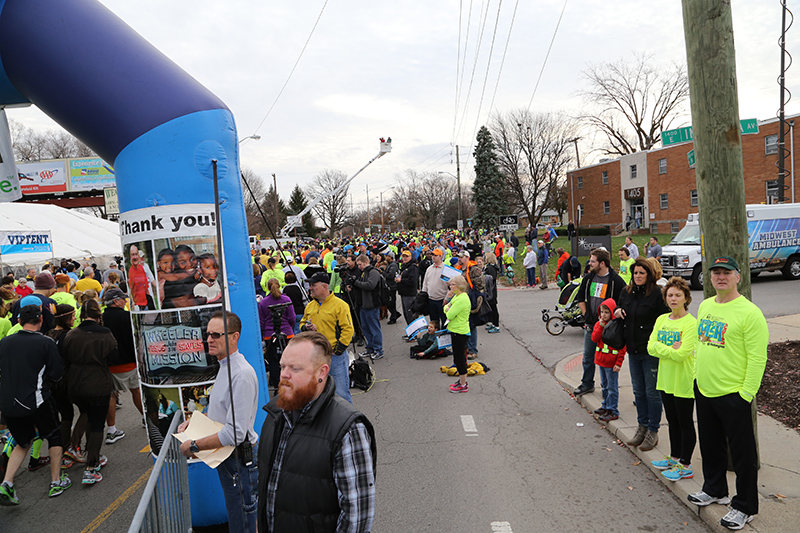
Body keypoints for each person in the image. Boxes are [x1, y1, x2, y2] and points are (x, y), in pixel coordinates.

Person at [256, 332, 376, 533]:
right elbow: (268, 484)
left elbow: (357, 516)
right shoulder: (275, 413)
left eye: (295, 368)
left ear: (322, 372)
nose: (284, 374)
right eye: (283, 366)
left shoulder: (347, 428)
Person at [687, 256, 768, 531]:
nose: (721, 277)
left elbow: (758, 358)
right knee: (710, 445)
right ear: (710, 278)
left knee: (743, 455)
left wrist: (746, 394)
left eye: (726, 273)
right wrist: (696, 377)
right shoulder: (706, 305)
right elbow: (701, 344)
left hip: (734, 394)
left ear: (738, 277)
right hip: (705, 389)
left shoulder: (749, 313)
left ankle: (744, 506)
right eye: (716, 273)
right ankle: (715, 489)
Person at [178, 311, 259, 533]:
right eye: (208, 334)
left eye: (216, 334)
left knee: (243, 521)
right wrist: (195, 422)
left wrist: (193, 446)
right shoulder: (226, 367)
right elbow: (222, 413)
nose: (209, 339)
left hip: (238, 461)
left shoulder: (240, 374)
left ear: (235, 337)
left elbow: (234, 434)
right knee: (240, 517)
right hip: (230, 459)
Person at [0, 303, 71, 504]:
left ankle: (7, 483)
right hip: (37, 399)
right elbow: (57, 374)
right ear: (40, 320)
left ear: (19, 321)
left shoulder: (4, 342)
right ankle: (56, 481)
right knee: (54, 435)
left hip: (9, 402)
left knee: (23, 441)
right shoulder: (45, 343)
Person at [614, 258, 670, 452]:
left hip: (651, 351)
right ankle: (642, 427)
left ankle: (653, 431)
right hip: (633, 349)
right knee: (638, 391)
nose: (637, 276)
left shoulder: (656, 294)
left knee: (652, 392)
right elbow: (619, 307)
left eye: (641, 273)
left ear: (649, 275)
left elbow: (667, 319)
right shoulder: (626, 292)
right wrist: (618, 310)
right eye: (635, 273)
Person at [61, 299, 117, 485]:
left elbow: (65, 356)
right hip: (98, 383)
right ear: (98, 314)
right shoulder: (105, 334)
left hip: (75, 384)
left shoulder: (72, 334)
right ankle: (91, 466)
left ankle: (78, 450)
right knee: (96, 423)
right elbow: (113, 357)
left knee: (87, 414)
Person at [647, 277, 697, 482]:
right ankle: (675, 457)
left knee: (685, 422)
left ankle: (686, 465)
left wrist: (662, 348)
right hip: (665, 378)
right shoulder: (661, 320)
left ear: (686, 298)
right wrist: (668, 348)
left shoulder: (692, 323)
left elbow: (682, 353)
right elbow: (650, 347)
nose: (673, 299)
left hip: (684, 379)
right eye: (670, 295)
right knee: (672, 420)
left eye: (678, 295)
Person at [573, 248, 626, 397]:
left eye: (593, 261)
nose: (589, 263)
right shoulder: (589, 278)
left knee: (608, 360)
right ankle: (587, 383)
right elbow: (581, 298)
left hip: (609, 329)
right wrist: (586, 315)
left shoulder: (616, 281)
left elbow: (622, 302)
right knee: (588, 357)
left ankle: (608, 389)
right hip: (592, 326)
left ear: (602, 263)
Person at [299, 272, 355, 403]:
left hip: (334, 356)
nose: (310, 288)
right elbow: (302, 323)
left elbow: (348, 329)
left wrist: (338, 350)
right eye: (309, 285)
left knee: (341, 394)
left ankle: (348, 422)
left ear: (324, 286)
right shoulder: (310, 305)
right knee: (319, 394)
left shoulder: (340, 305)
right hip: (315, 357)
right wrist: (306, 327)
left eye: (313, 285)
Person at [102, 288, 144, 445]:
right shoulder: (128, 316)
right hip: (130, 362)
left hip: (110, 365)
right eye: (123, 299)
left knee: (112, 396)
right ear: (116, 301)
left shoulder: (101, 318)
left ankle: (111, 430)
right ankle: (146, 419)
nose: (126, 301)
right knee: (137, 391)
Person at [591, 299, 626, 422]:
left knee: (612, 387)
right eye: (602, 312)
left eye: (606, 312)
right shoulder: (598, 324)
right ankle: (605, 405)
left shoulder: (617, 327)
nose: (603, 315)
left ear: (612, 312)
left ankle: (613, 410)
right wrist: (600, 327)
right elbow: (594, 338)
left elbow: (622, 347)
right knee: (604, 386)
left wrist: (618, 363)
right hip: (601, 361)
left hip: (611, 363)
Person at [259, 278, 297, 391]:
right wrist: (289, 327)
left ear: (268, 288)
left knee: (274, 363)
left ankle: (277, 387)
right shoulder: (286, 299)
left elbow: (261, 322)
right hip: (287, 335)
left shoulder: (263, 302)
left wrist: (262, 338)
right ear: (279, 286)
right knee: (289, 362)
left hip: (269, 336)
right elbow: (292, 318)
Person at [352, 254, 384, 359]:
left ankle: (378, 350)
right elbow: (362, 285)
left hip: (371, 304)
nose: (359, 266)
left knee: (374, 328)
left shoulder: (373, 272)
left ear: (366, 262)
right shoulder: (363, 273)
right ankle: (370, 348)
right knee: (366, 329)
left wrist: (356, 283)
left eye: (360, 264)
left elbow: (370, 285)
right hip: (363, 305)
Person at [443, 274, 471, 393]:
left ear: (459, 286)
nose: (450, 286)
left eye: (453, 284)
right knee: (457, 357)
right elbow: (446, 307)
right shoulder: (456, 296)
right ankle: (461, 380)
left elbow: (449, 314)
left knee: (459, 359)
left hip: (460, 332)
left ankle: (463, 384)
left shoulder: (462, 299)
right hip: (455, 330)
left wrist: (448, 309)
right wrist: (448, 308)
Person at [421, 248, 448, 326]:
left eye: (436, 255)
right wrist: (423, 296)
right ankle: (434, 337)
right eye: (433, 255)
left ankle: (443, 337)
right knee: (433, 322)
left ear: (440, 256)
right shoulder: (429, 269)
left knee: (444, 322)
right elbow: (425, 283)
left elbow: (451, 287)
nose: (433, 257)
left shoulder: (446, 269)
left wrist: (446, 298)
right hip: (431, 300)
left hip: (442, 300)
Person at [128, 244, 156, 311]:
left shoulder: (144, 267)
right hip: (138, 304)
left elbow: (149, 283)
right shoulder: (131, 271)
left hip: (146, 301)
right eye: (133, 255)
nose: (142, 258)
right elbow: (131, 289)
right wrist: (133, 302)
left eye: (143, 256)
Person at [396, 250, 419, 325]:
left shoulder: (413, 267)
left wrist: (401, 280)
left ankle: (415, 334)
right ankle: (410, 332)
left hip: (410, 294)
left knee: (410, 315)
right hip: (403, 293)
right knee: (406, 314)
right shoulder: (404, 266)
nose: (405, 258)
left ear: (411, 257)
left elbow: (412, 281)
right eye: (403, 256)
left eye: (407, 256)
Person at [383, 252, 401, 324]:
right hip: (389, 285)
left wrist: (383, 273)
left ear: (390, 257)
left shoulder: (393, 265)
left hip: (392, 286)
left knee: (391, 302)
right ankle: (395, 314)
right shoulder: (389, 264)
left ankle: (394, 316)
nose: (385, 257)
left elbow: (390, 275)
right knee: (389, 302)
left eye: (387, 256)